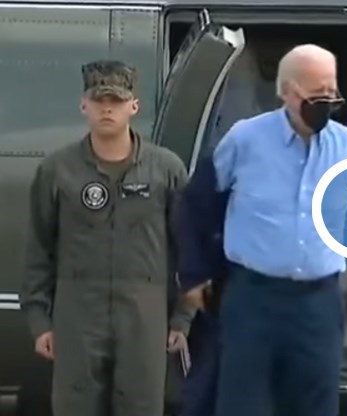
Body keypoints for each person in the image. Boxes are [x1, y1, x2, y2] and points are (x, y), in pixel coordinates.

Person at [209, 44, 347, 416]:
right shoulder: (244, 140)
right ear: (287, 91)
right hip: (253, 297)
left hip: (318, 303)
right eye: (316, 94)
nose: (326, 102)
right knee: (242, 404)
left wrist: (338, 257)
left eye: (332, 93)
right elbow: (207, 202)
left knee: (315, 404)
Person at [20, 60, 192, 416]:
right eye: (99, 100)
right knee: (75, 407)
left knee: (141, 407)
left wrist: (182, 318)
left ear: (134, 106)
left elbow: (189, 248)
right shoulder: (58, 170)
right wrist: (40, 320)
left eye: (116, 100)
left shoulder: (165, 170)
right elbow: (39, 249)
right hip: (77, 316)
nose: (107, 109)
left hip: (144, 317)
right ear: (84, 105)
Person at [175, 154, 230, 416]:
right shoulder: (242, 145)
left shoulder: (336, 145)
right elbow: (191, 211)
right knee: (208, 387)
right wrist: (194, 276)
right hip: (232, 287)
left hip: (305, 293)